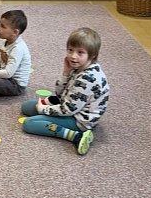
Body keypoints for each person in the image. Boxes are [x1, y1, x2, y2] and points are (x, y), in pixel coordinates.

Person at [20, 27, 110, 156]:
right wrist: (66, 73)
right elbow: (60, 94)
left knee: (30, 124)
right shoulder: (80, 66)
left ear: (92, 55)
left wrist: (43, 110)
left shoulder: (87, 79)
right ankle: (52, 117)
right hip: (71, 107)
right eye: (70, 50)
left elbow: (67, 110)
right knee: (27, 107)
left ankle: (75, 136)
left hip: (79, 121)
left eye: (80, 52)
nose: (73, 56)